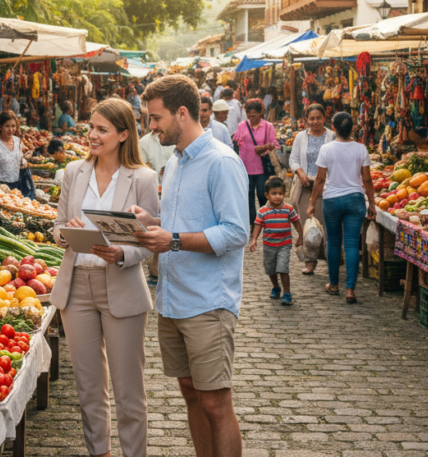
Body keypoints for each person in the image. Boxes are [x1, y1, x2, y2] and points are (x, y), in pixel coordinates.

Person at [130, 74, 249, 457]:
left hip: (208, 302)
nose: (151, 127)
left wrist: (174, 240)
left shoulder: (221, 162)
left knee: (216, 403)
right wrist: (151, 222)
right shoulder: (177, 161)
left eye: (156, 118)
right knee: (191, 394)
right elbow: (180, 224)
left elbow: (236, 233)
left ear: (182, 113)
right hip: (174, 298)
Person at [52, 99, 158, 457]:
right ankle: (100, 452)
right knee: (88, 388)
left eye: (102, 129)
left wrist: (123, 253)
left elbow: (151, 239)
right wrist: (67, 232)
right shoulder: (72, 171)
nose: (92, 135)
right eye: (91, 127)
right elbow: (57, 227)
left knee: (129, 392)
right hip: (76, 287)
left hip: (122, 284)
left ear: (123, 134)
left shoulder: (143, 178)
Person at [307, 112, 377, 304]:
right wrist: (371, 203)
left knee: (334, 241)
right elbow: (367, 179)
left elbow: (320, 179)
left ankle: (334, 284)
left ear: (333, 127)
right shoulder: (361, 149)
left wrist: (312, 202)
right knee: (352, 243)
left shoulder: (327, 149)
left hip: (332, 200)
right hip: (355, 199)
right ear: (353, 128)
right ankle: (350, 290)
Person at [288, 104, 335, 275]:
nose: (315, 122)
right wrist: (300, 172)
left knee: (326, 225)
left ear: (324, 118)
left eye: (318, 118)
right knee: (306, 226)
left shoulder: (332, 136)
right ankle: (310, 261)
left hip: (326, 188)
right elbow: (293, 159)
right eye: (311, 118)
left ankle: (331, 259)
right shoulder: (301, 137)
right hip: (305, 187)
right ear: (306, 119)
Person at [248, 177, 303, 306]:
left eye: (280, 193)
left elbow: (296, 221)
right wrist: (254, 240)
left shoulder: (288, 209)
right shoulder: (262, 211)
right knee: (271, 269)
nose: (277, 197)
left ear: (284, 193)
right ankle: (276, 287)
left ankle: (287, 293)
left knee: (283, 268)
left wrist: (301, 236)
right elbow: (258, 226)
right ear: (267, 195)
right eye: (274, 193)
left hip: (284, 245)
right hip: (269, 246)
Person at [232, 99, 279, 232]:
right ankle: (253, 223)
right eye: (249, 115)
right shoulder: (242, 125)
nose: (251, 118)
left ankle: (264, 220)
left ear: (260, 113)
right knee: (248, 197)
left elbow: (275, 145)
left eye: (254, 115)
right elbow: (235, 143)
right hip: (244, 167)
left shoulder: (268, 126)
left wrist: (264, 147)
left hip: (261, 168)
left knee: (262, 194)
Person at [0, 110, 25, 188]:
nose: (10, 129)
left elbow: (18, 161)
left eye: (13, 126)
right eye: (7, 126)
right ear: (0, 127)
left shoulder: (17, 141)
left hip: (17, 185)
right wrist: (0, 186)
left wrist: (24, 160)